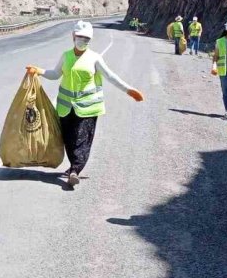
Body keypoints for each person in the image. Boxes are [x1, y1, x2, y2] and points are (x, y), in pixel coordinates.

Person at [27, 20, 144, 188]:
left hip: (88, 108)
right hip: (66, 107)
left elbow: (110, 76)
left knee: (82, 140)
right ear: (73, 36)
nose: (83, 41)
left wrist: (129, 90)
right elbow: (55, 74)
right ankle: (73, 166)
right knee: (68, 139)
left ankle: (75, 170)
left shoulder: (95, 58)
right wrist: (39, 71)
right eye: (81, 37)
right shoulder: (66, 56)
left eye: (87, 39)